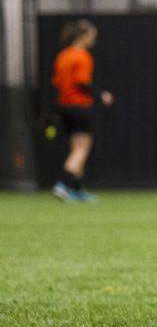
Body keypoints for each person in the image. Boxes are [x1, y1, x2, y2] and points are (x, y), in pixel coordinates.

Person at [51, 20, 113, 203]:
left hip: (64, 107)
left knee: (75, 147)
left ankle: (77, 189)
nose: (93, 40)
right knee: (81, 149)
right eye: (92, 36)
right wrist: (102, 94)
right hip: (80, 107)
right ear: (83, 36)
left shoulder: (62, 55)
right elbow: (82, 82)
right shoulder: (82, 56)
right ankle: (62, 184)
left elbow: (56, 82)